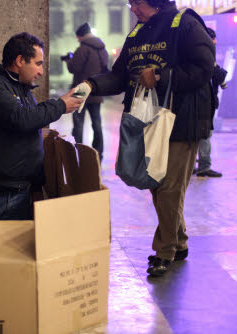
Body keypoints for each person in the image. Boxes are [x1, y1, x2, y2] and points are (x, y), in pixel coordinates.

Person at [74, 0, 215, 276]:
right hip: (145, 120)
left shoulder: (185, 23)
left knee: (169, 187)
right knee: (156, 184)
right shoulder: (138, 33)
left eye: (136, 3)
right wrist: (91, 84)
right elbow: (119, 76)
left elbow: (204, 67)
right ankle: (180, 241)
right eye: (130, 3)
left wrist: (161, 76)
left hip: (181, 121)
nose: (132, 9)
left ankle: (165, 250)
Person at [0, 32, 82, 221]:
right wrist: (60, 105)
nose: (41, 72)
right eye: (38, 63)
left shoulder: (24, 92)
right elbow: (20, 119)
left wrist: (36, 186)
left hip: (20, 195)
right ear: (19, 60)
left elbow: (29, 132)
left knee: (15, 252)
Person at [62, 22, 109, 161]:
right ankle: (98, 152)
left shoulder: (83, 49)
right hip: (97, 88)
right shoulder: (102, 49)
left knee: (78, 122)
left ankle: (77, 151)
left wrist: (68, 60)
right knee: (97, 122)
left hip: (81, 90)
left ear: (81, 36)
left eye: (78, 37)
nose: (78, 40)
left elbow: (74, 68)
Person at [194, 27, 228, 178]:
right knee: (205, 134)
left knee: (197, 134)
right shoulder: (206, 57)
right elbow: (218, 77)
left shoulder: (198, 54)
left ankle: (195, 165)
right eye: (212, 38)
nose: (214, 41)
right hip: (204, 102)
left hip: (201, 102)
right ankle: (204, 166)